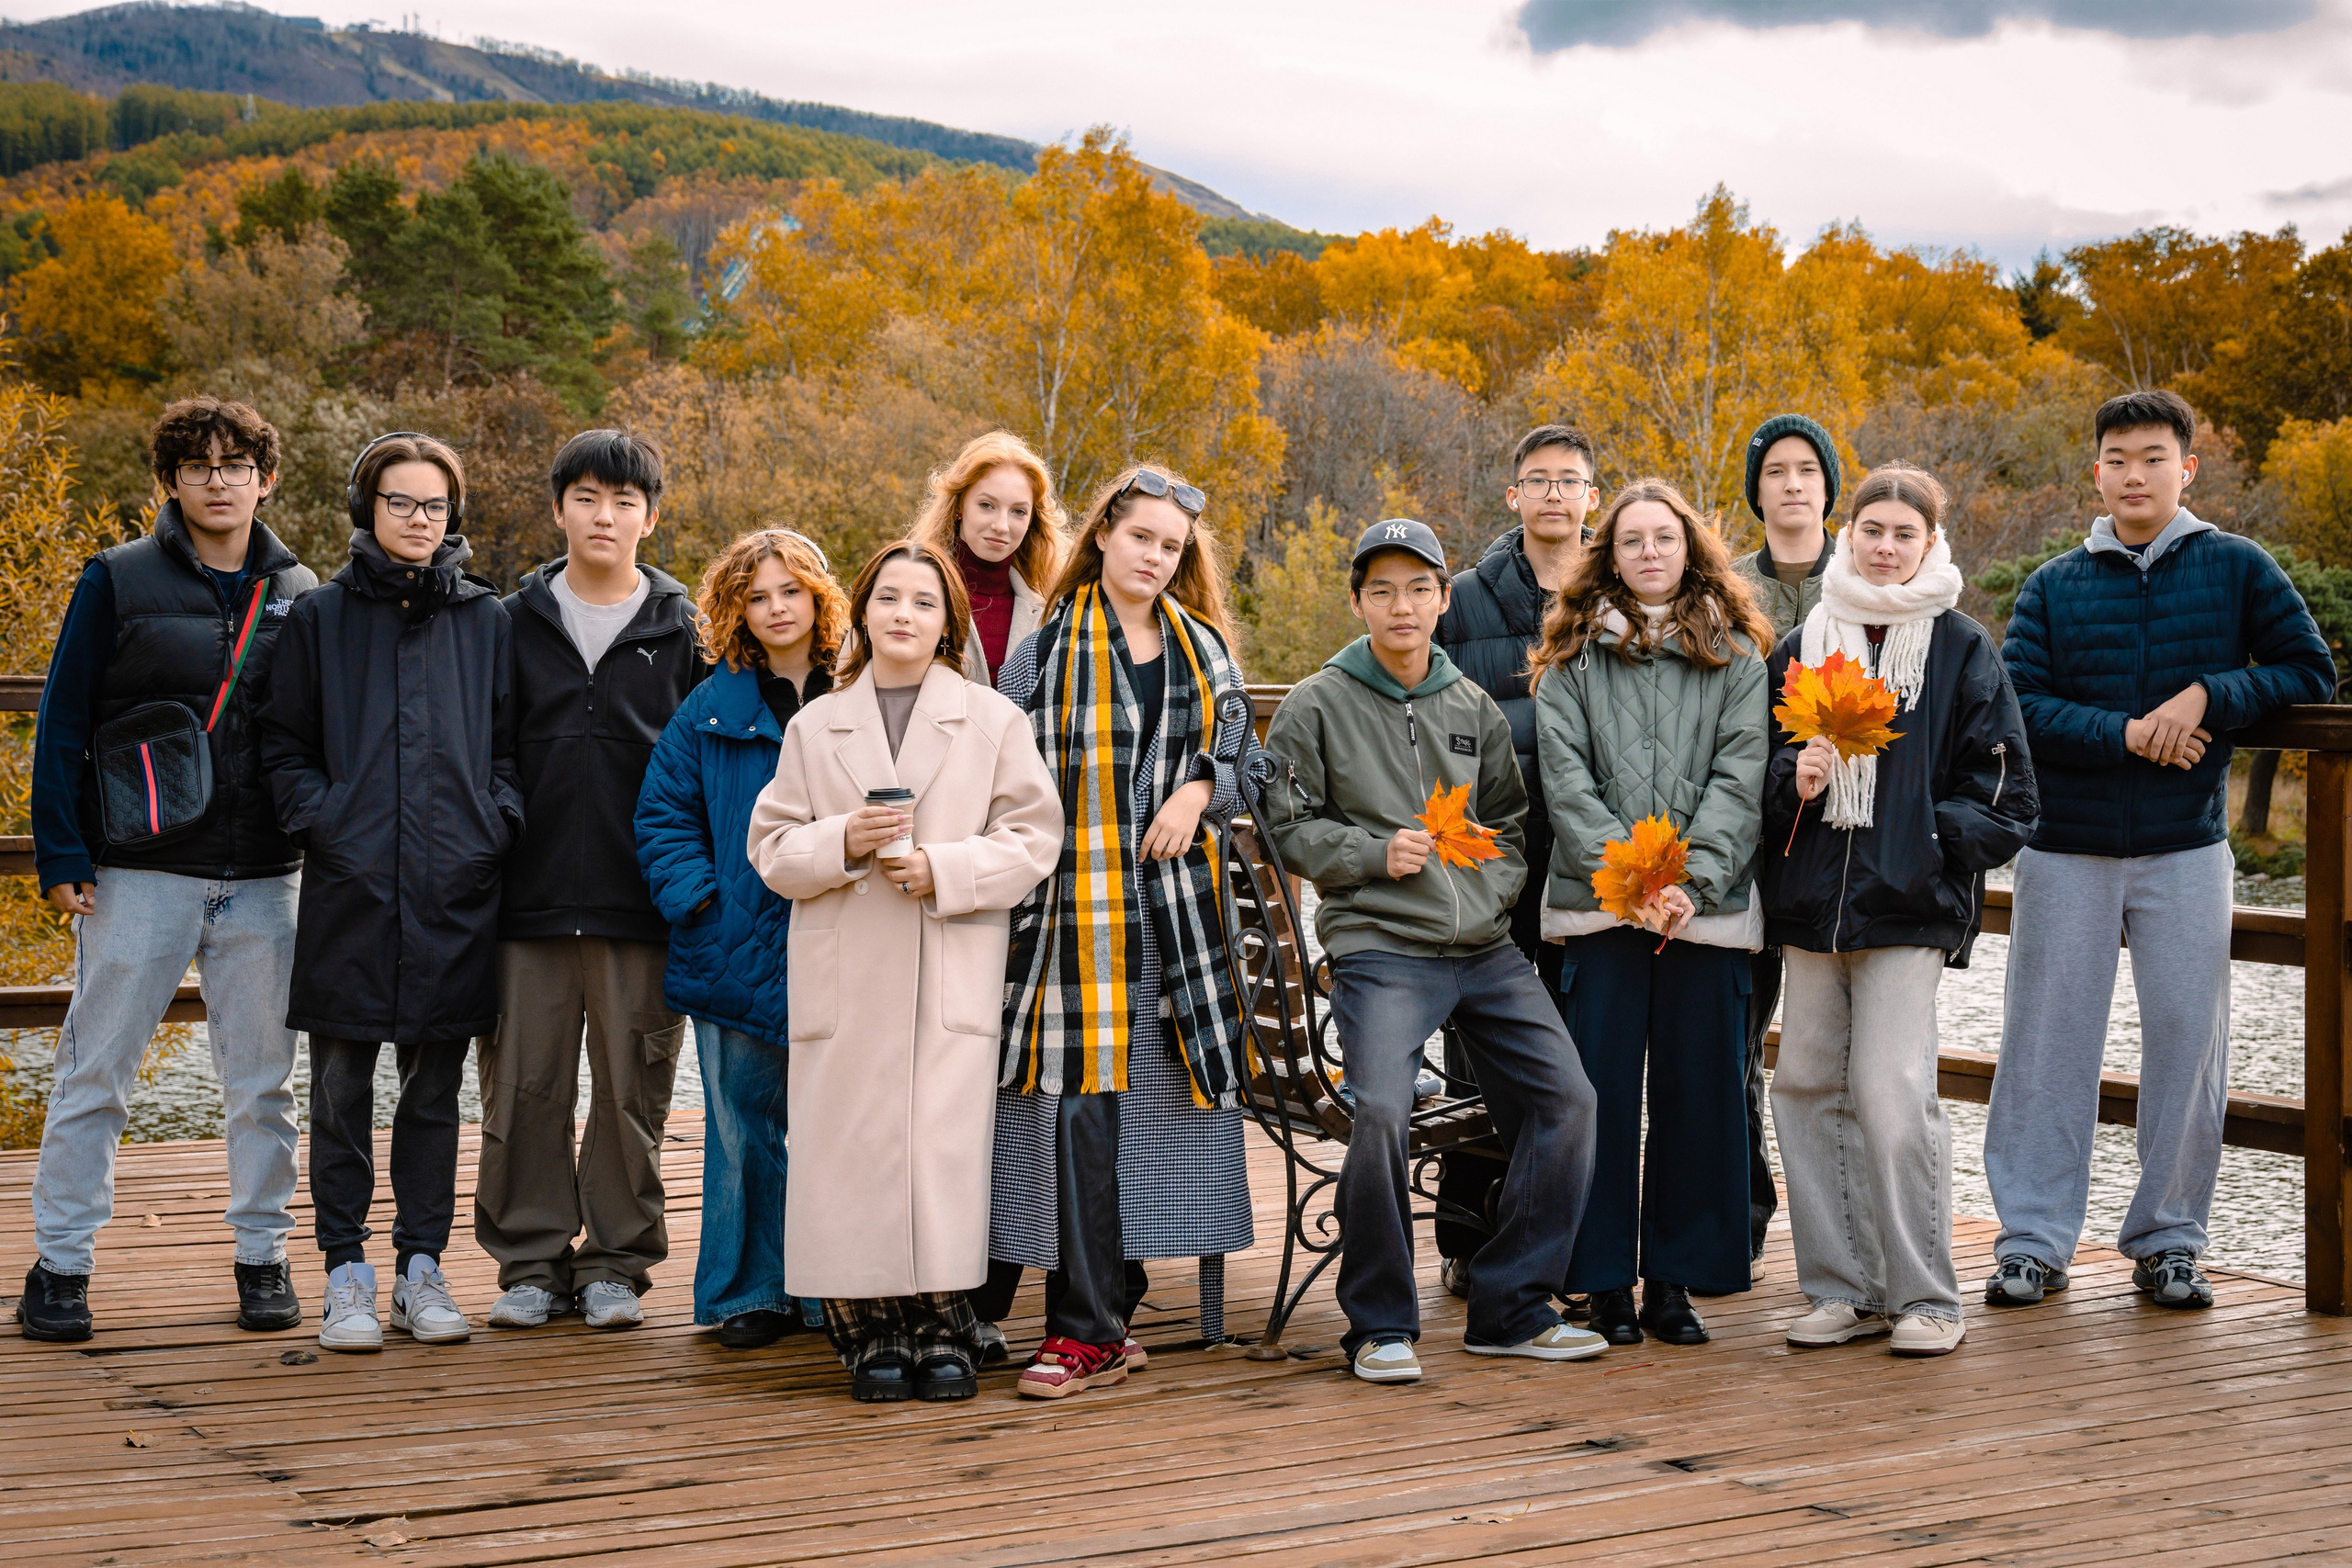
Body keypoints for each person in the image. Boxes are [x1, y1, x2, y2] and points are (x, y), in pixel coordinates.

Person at [1985, 389, 2334, 1313]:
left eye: (2150, 457)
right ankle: (2030, 1240)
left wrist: (2205, 699)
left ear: (2186, 467)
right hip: (2066, 848)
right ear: (2094, 472)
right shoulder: (2054, 585)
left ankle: (2170, 1240)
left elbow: (2309, 671)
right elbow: (2016, 707)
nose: (2131, 473)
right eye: (2115, 458)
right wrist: (2128, 731)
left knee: (2188, 1042)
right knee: (2045, 1047)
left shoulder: (2236, 568)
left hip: (2184, 848)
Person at [1262, 516, 1606, 1385]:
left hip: (1484, 951)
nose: (1401, 604)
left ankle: (1513, 1305)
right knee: (1379, 1108)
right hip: (1381, 947)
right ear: (1358, 602)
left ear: (1443, 599)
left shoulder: (1470, 706)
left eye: (1419, 587)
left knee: (1570, 1100)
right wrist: (1373, 856)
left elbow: (1510, 825)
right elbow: (1287, 828)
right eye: (1382, 589)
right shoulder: (1316, 703)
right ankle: (1379, 1323)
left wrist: (1487, 898)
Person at [18, 397, 318, 1345]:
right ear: (174, 482)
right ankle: (60, 1267)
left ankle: (262, 1259)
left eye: (238, 465)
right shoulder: (117, 578)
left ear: (265, 479)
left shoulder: (301, 589)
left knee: (264, 1082)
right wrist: (61, 851)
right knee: (94, 1071)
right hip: (138, 869)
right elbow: (63, 718)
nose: (220, 481)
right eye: (201, 467)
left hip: (266, 871)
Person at [746, 540, 1061, 1401]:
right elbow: (771, 849)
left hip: (945, 966)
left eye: (924, 602)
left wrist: (947, 871)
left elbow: (1035, 837)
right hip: (846, 973)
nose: (903, 615)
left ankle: (942, 1328)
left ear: (947, 621)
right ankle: (867, 1330)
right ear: (863, 610)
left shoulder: (994, 720)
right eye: (888, 597)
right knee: (850, 1152)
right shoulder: (816, 726)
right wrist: (842, 840)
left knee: (939, 1152)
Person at [988, 463, 1258, 1399]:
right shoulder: (1040, 652)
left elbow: (1241, 767)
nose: (1153, 556)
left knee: (1137, 1118)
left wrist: (1197, 788)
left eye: (1171, 546)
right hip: (1069, 919)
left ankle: (1109, 1309)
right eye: (1140, 536)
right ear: (1102, 533)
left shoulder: (1205, 651)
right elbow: (1002, 783)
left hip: (1174, 923)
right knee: (1077, 1112)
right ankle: (1086, 1327)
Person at [1758, 463, 2038, 1359]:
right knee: (1804, 1086)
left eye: (1902, 533)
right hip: (1810, 908)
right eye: (1871, 529)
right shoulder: (1804, 641)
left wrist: (1918, 839)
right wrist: (1788, 780)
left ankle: (1926, 1297)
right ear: (1849, 533)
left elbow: (2005, 799)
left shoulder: (1960, 650)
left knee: (1889, 1092)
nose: (1884, 546)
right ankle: (1842, 1290)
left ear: (1929, 542)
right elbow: (1755, 770)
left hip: (1907, 909)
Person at [257, 433, 520, 1353]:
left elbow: (511, 750)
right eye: (400, 502)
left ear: (454, 515)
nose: (418, 520)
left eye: (434, 505)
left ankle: (420, 1269)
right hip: (351, 890)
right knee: (338, 1090)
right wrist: (328, 821)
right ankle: (344, 1274)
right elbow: (280, 745)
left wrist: (494, 823)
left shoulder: (489, 623)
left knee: (435, 1093)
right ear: (368, 508)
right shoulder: (319, 619)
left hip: (455, 889)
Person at [475, 430, 707, 1333]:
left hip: (642, 907)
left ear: (650, 515)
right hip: (524, 907)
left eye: (622, 501)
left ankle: (616, 1262)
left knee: (629, 1094)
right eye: (585, 498)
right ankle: (529, 1262)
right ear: (558, 508)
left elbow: (706, 775)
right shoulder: (506, 622)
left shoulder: (687, 631)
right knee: (522, 1091)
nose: (602, 516)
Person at [1531, 479, 1770, 1348]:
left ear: (1690, 546)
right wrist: (1634, 880)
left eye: (1664, 538)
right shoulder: (1568, 661)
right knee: (1598, 1099)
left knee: (1697, 1097)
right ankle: (1602, 1286)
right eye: (1631, 541)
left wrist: (1691, 883)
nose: (1649, 553)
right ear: (1610, 555)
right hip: (1602, 914)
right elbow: (1568, 785)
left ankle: (1673, 1280)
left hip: (1702, 920)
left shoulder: (1739, 656)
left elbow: (1740, 782)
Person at [635, 528, 844, 1349]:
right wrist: (702, 903)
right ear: (735, 611)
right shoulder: (710, 708)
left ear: (819, 596)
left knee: (836, 1122)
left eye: (790, 590)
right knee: (741, 1124)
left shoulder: (858, 693)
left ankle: (835, 1290)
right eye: (757, 597)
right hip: (733, 942)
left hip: (842, 939)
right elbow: (662, 815)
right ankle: (746, 1292)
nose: (776, 608)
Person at [1431, 423, 1602, 1294]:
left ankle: (1564, 1235)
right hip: (1488, 859)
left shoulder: (1616, 596)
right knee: (1479, 1052)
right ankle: (1469, 1237)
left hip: (1586, 860)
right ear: (1513, 496)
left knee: (1574, 1052)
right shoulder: (1461, 600)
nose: (1554, 496)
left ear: (1591, 498)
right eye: (1538, 481)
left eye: (1570, 482)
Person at [1727, 412, 1843, 1264]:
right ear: (1758, 490)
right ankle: (1742, 1207)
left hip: (1846, 861)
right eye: (1777, 472)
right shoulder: (1726, 590)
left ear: (1829, 486)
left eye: (1807, 469)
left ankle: (1846, 1225)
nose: (1793, 484)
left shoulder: (1875, 573)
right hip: (1749, 852)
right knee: (1735, 1039)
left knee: (1839, 1058)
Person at [911, 430, 1066, 689]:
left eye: (1018, 511)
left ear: (1032, 520)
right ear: (960, 506)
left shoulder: (1052, 612)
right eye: (987, 505)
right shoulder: (906, 591)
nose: (1001, 526)